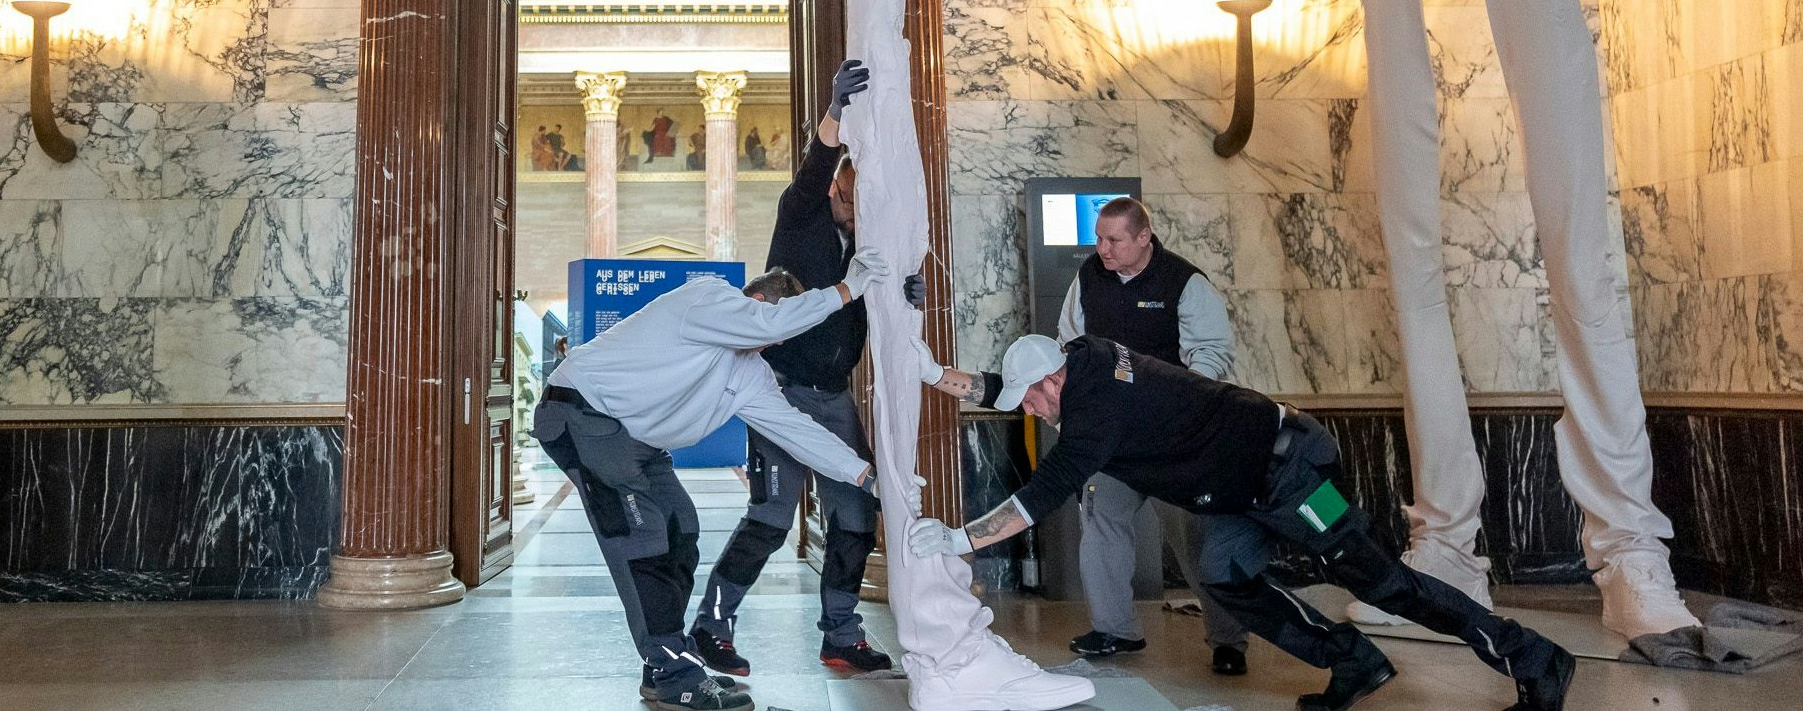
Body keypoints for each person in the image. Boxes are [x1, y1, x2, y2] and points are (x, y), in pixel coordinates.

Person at [909, 334, 1575, 711]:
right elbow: (1004, 383)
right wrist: (935, 372)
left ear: (1056, 379)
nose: (1029, 407)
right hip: (1240, 491)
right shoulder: (1077, 358)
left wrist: (959, 538)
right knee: (1224, 574)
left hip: (1297, 469)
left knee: (1383, 581)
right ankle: (1354, 662)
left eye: (1035, 396)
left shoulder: (1095, 412)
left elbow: (1041, 494)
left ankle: (1538, 657)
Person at [536, 256, 890, 711]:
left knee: (682, 527)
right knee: (642, 537)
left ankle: (666, 661)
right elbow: (771, 322)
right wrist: (847, 289)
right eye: (775, 325)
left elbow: (797, 430)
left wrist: (866, 476)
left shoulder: (751, 374)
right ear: (758, 303)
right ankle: (673, 675)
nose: (778, 342)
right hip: (581, 414)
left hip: (634, 439)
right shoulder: (707, 297)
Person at [689, 59, 935, 678]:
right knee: (769, 519)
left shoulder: (867, 244)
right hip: (782, 395)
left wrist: (907, 295)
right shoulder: (800, 215)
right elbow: (813, 168)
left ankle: (842, 634)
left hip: (834, 399)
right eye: (853, 201)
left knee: (855, 516)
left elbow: (887, 311)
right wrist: (833, 113)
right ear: (839, 192)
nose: (859, 213)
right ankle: (711, 628)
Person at [1053, 197, 1250, 674]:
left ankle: (1228, 640)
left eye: (1114, 239)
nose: (1103, 248)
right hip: (1114, 438)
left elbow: (1210, 353)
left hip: (1175, 439)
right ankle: (1115, 629)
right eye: (1098, 238)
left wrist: (1180, 406)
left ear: (1144, 237)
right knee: (1100, 520)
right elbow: (1069, 344)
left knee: (1198, 538)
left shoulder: (1185, 281)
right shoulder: (1087, 280)